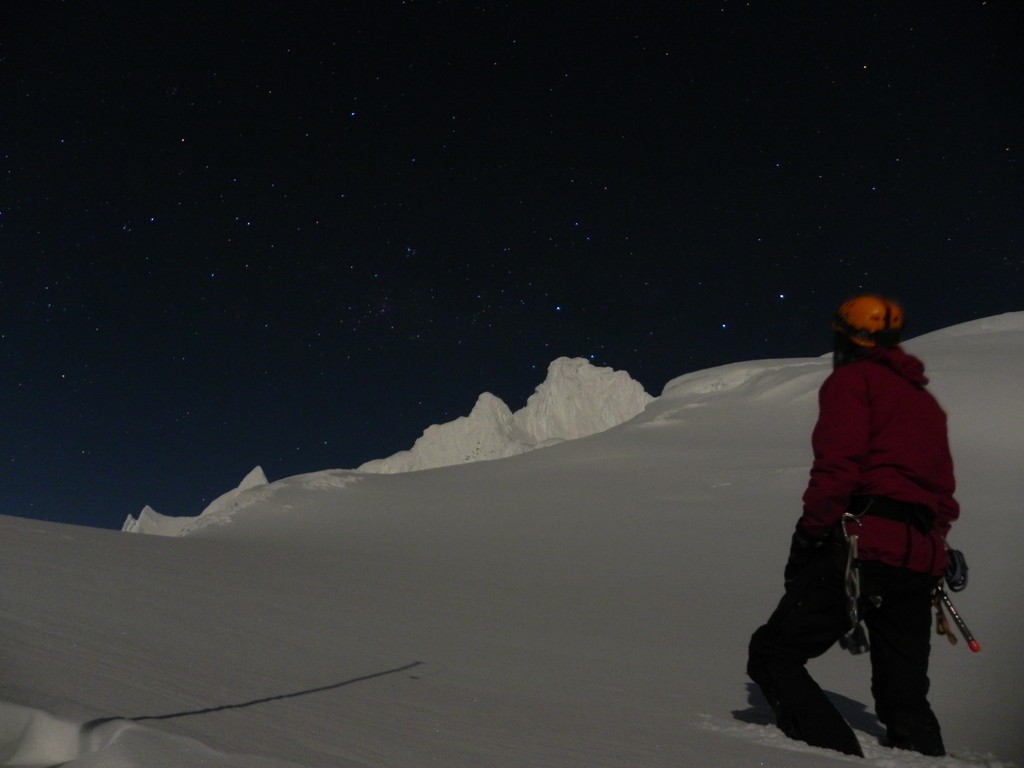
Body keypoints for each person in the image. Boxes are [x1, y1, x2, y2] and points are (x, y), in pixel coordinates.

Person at [747, 294, 959, 758]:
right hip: (920, 557)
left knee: (773, 653)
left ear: (846, 334)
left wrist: (810, 533)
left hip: (864, 545)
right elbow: (942, 494)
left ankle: (833, 755)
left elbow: (837, 468)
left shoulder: (852, 382)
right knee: (904, 696)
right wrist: (937, 545)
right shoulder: (925, 404)